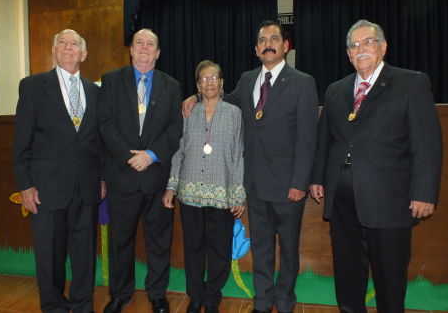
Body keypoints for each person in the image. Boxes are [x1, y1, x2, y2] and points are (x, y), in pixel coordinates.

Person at [183, 20, 319, 313]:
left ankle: (283, 302)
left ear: (285, 45)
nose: (267, 43)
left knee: (289, 249)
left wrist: (300, 182)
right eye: (261, 40)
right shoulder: (247, 80)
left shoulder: (302, 82)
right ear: (256, 49)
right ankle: (261, 301)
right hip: (253, 184)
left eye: (274, 38)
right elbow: (223, 100)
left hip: (287, 186)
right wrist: (195, 96)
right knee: (261, 247)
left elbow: (308, 139)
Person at [309, 19, 443, 313]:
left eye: (368, 42)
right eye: (354, 45)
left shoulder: (411, 83)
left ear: (383, 47)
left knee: (390, 279)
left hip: (389, 201)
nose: (361, 50)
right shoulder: (335, 90)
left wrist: (424, 192)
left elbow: (427, 144)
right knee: (347, 275)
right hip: (342, 202)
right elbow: (325, 140)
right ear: (347, 54)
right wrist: (317, 178)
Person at [13, 29, 105, 313]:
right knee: (49, 255)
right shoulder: (33, 86)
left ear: (84, 53)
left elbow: (99, 141)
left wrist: (102, 178)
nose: (68, 47)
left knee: (84, 254)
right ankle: (52, 305)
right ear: (54, 50)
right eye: (62, 43)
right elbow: (21, 141)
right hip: (46, 188)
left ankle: (81, 304)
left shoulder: (95, 91)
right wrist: (25, 185)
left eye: (74, 43)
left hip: (87, 187)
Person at [98, 28, 183, 313]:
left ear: (158, 53)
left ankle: (157, 294)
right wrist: (128, 156)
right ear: (131, 50)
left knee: (159, 241)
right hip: (122, 177)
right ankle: (120, 294)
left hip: (156, 177)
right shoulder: (110, 81)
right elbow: (105, 124)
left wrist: (152, 155)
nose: (144, 48)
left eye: (150, 44)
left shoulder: (171, 86)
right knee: (120, 241)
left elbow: (175, 128)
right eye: (139, 43)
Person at [162, 60, 246, 313]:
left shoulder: (234, 113)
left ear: (221, 82)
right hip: (189, 193)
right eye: (203, 79)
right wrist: (171, 187)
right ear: (197, 84)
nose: (209, 82)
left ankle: (211, 296)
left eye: (214, 78)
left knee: (220, 248)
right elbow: (178, 151)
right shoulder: (188, 112)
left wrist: (238, 195)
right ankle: (195, 295)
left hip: (222, 192)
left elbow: (238, 154)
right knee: (193, 246)